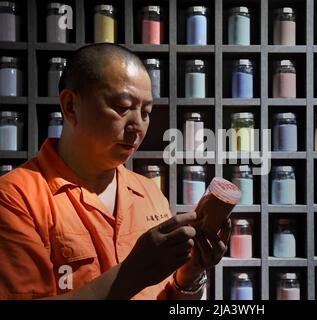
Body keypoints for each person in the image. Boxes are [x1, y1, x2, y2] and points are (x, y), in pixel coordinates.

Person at [0, 43, 230, 300]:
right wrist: (131, 274)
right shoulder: (15, 197)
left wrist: (189, 275)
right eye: (122, 106)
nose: (137, 126)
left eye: (146, 113)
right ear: (70, 105)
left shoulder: (149, 192)